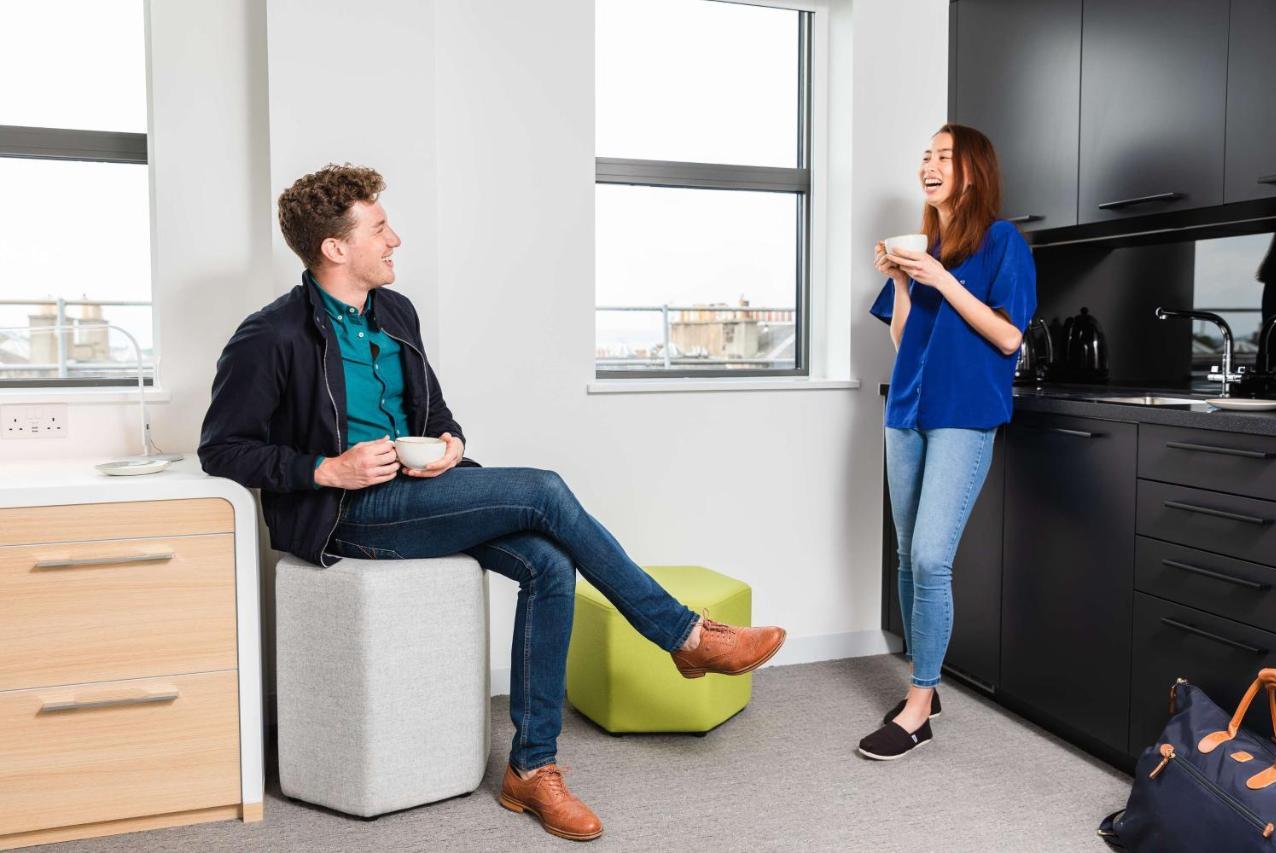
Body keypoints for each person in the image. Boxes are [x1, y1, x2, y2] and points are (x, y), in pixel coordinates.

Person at [198, 164, 786, 842]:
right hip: (346, 515)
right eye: (380, 227)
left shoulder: (396, 312)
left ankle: (532, 769)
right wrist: (326, 467)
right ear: (335, 248)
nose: (396, 238)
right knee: (542, 489)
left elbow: (439, 412)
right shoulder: (270, 335)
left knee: (546, 562)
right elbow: (223, 449)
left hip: (422, 494)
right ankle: (685, 635)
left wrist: (449, 444)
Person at [861, 125, 1035, 761]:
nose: (928, 166)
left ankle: (919, 702)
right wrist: (907, 282)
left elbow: (1009, 337)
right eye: (925, 157)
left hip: (965, 417)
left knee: (933, 559)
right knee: (908, 557)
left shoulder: (1002, 242)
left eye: (943, 157)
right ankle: (924, 688)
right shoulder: (923, 249)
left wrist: (940, 276)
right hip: (906, 413)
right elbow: (905, 344)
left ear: (972, 172)